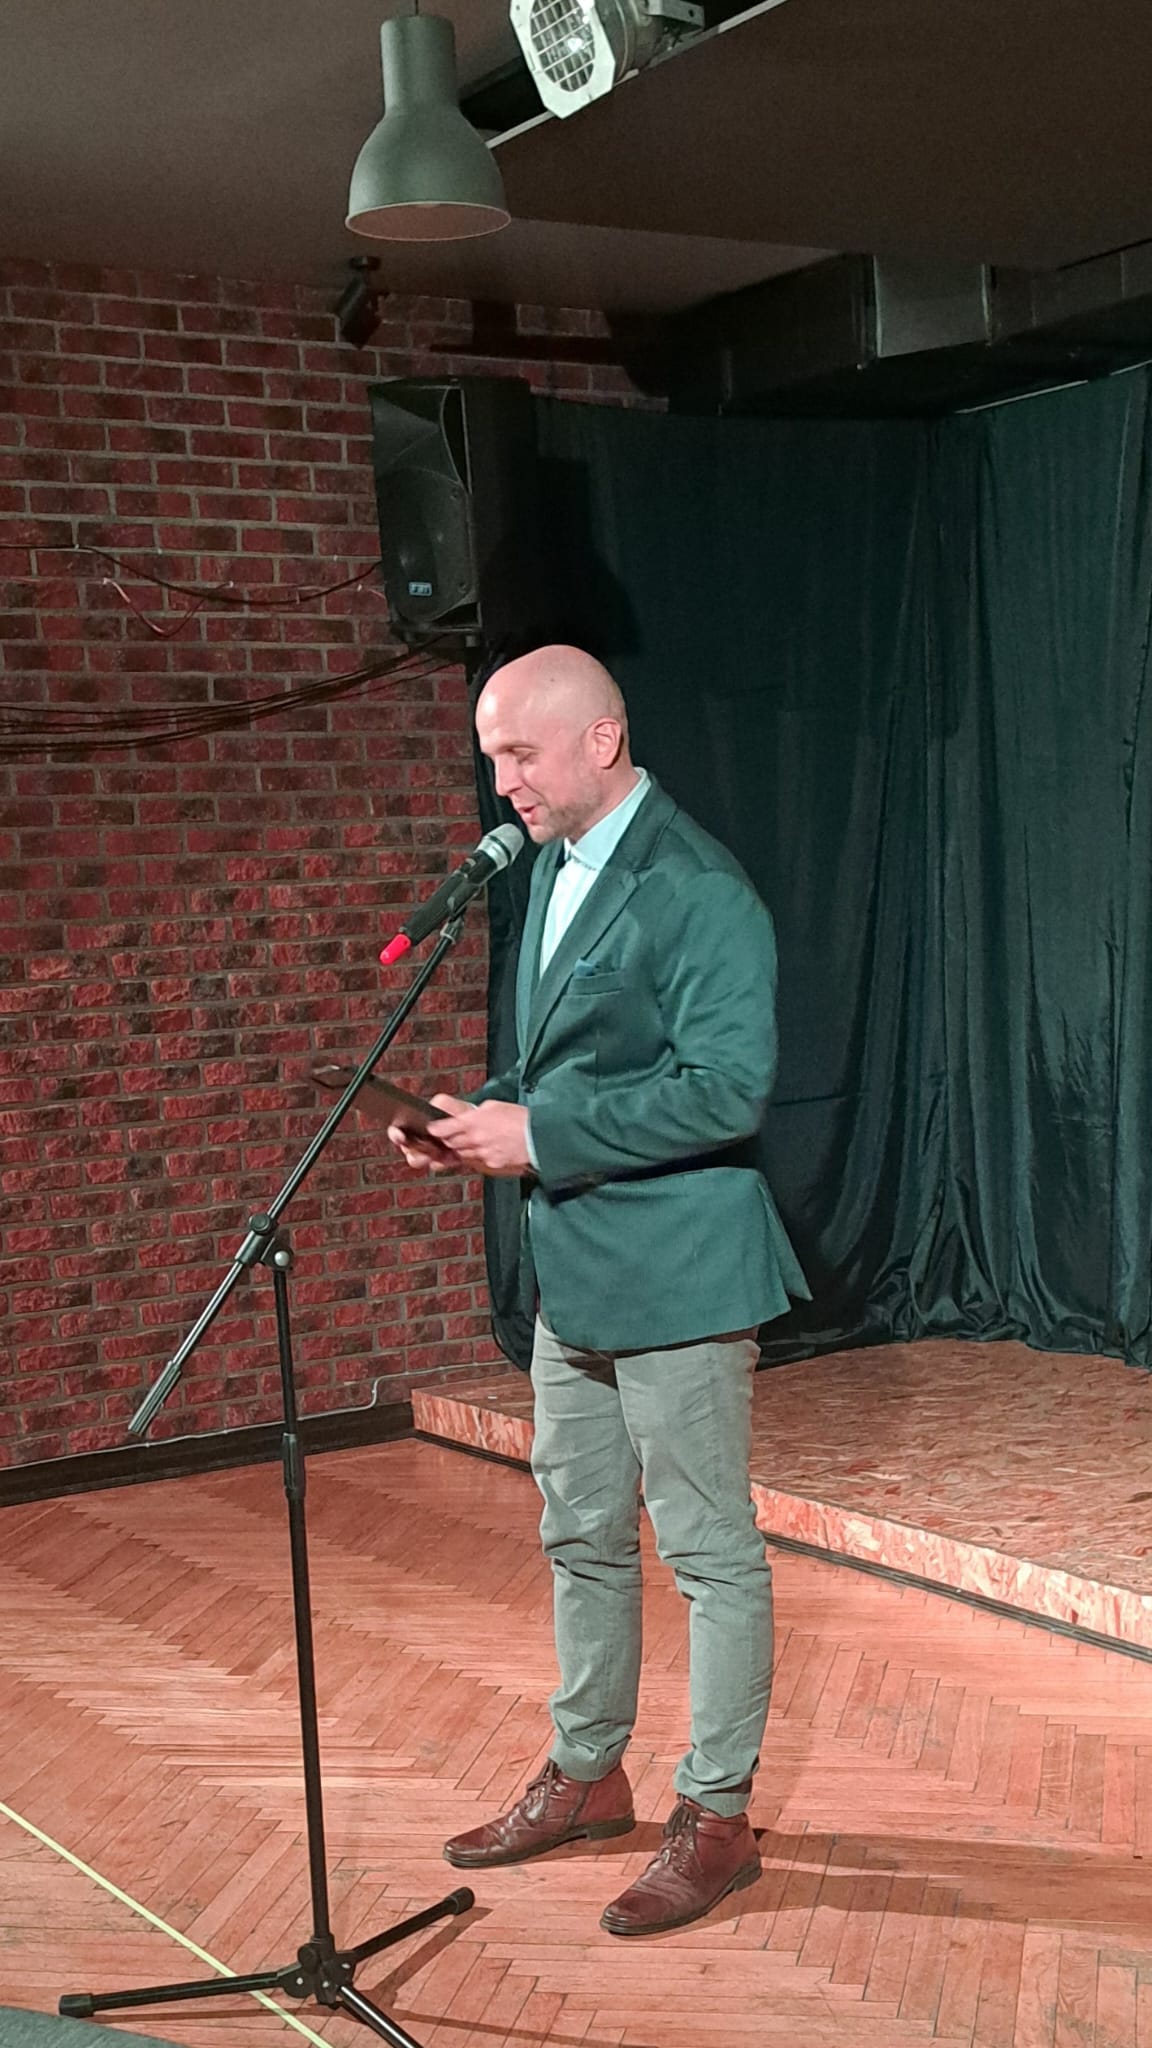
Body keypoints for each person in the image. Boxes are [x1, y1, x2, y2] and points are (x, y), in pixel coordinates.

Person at [388, 644, 808, 1937]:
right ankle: (588, 1772)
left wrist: (542, 1136)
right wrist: (479, 1124)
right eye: (491, 757)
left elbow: (726, 1092)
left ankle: (717, 1816)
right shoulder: (552, 869)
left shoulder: (699, 887)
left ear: (602, 740)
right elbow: (568, 1069)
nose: (501, 781)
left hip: (680, 1275)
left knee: (707, 1553)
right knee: (578, 1533)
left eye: (519, 753)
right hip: (574, 1273)